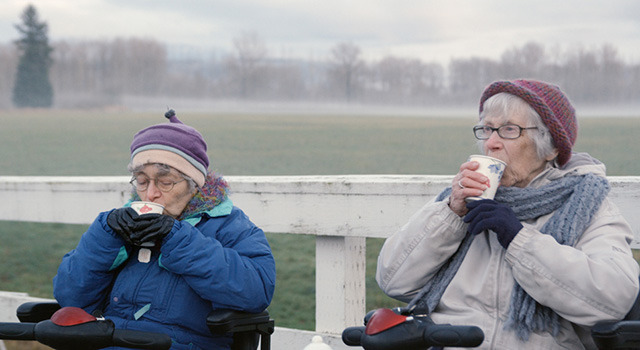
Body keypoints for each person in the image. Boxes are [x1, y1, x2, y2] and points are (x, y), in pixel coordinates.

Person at [375, 80, 640, 349]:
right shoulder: (460, 201)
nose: (491, 143)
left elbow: (613, 301)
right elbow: (392, 280)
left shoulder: (586, 206)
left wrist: (517, 238)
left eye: (509, 130)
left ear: (550, 147)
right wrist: (451, 215)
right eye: (487, 129)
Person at [53, 110, 276, 350]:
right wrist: (105, 235)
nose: (150, 194)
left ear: (194, 184)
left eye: (165, 182)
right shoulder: (121, 225)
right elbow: (70, 297)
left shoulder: (230, 225)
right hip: (111, 341)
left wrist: (177, 238)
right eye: (141, 181)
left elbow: (255, 291)